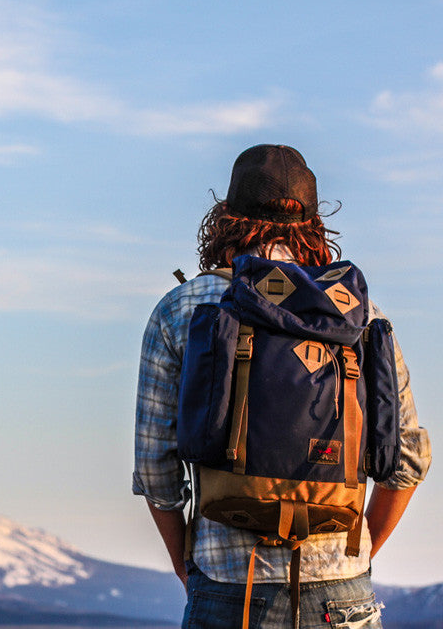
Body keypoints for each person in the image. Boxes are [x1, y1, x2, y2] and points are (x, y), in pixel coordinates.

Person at [132, 144, 431, 628]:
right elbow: (410, 460)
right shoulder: (359, 315)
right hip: (343, 593)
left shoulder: (183, 309)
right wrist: (354, 556)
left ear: (226, 218)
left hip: (228, 588)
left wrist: (186, 565)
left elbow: (156, 471)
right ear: (315, 224)